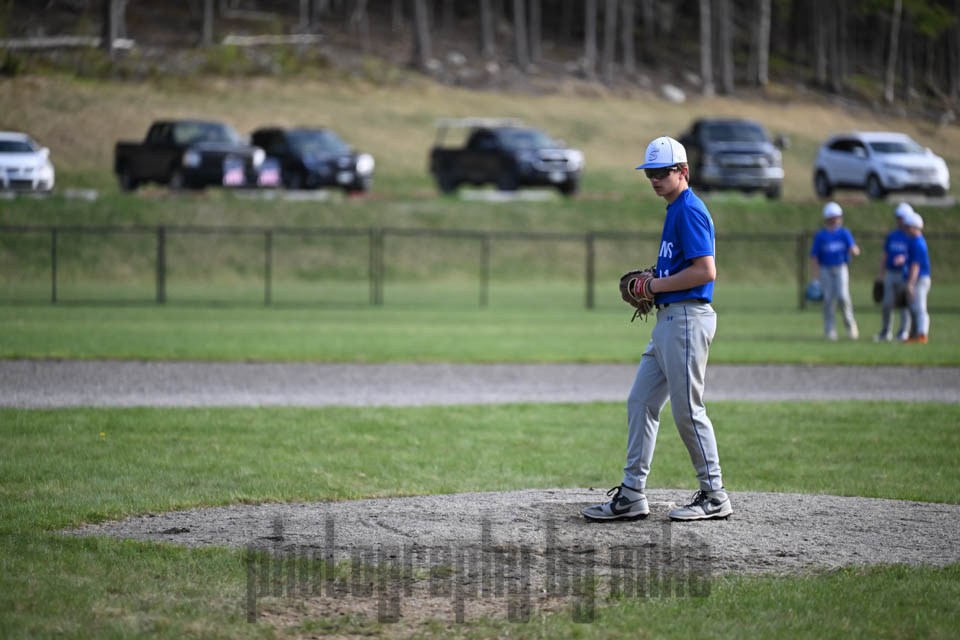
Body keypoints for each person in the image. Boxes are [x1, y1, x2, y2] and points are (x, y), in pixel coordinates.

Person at [583, 136, 731, 523]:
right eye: (650, 173)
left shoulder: (690, 210)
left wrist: (654, 285)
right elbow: (680, 267)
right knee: (641, 402)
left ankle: (714, 494)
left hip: (686, 319)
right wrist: (657, 279)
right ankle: (632, 494)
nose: (655, 179)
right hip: (669, 320)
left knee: (687, 411)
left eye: (663, 172)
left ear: (683, 171)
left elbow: (706, 271)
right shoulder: (674, 209)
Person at [810, 202, 860, 341]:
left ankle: (850, 326)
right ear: (828, 218)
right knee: (828, 300)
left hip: (841, 268)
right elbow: (814, 257)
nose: (836, 219)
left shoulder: (844, 233)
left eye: (838, 217)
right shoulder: (821, 235)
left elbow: (853, 248)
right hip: (825, 269)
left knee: (843, 297)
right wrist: (815, 278)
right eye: (834, 217)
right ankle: (830, 330)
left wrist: (855, 250)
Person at [874, 202, 913, 342]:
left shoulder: (911, 236)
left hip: (905, 273)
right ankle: (886, 331)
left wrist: (905, 258)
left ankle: (904, 331)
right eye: (898, 218)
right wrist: (880, 274)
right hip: (890, 273)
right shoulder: (892, 235)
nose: (899, 221)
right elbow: (885, 255)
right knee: (887, 303)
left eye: (902, 218)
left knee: (903, 303)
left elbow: (916, 257)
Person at [902, 212, 931, 344]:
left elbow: (915, 266)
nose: (906, 229)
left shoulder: (918, 243)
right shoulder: (913, 241)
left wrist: (910, 284)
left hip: (919, 279)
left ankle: (922, 334)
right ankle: (914, 335)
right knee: (913, 308)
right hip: (915, 279)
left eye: (908, 227)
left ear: (915, 227)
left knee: (920, 308)